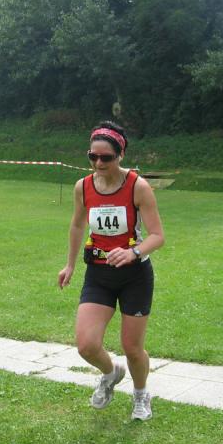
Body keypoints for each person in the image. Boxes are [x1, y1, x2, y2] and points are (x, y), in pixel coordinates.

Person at [57, 121, 165, 421]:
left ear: (121, 155)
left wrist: (133, 252)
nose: (98, 163)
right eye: (92, 157)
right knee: (86, 345)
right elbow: (77, 225)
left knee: (132, 348)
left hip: (135, 276)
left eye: (106, 157)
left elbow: (158, 236)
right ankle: (110, 373)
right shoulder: (83, 187)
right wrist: (70, 264)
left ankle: (141, 394)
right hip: (99, 274)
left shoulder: (137, 187)